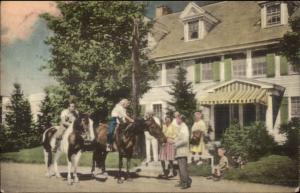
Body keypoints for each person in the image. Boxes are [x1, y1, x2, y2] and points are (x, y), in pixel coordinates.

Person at [174, 114, 192, 189]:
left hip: (182, 150)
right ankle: (184, 181)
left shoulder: (184, 127)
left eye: (178, 119)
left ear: (181, 119)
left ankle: (185, 183)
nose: (176, 120)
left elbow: (185, 140)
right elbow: (179, 137)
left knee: (182, 167)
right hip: (179, 151)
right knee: (180, 167)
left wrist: (176, 144)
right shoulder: (181, 127)